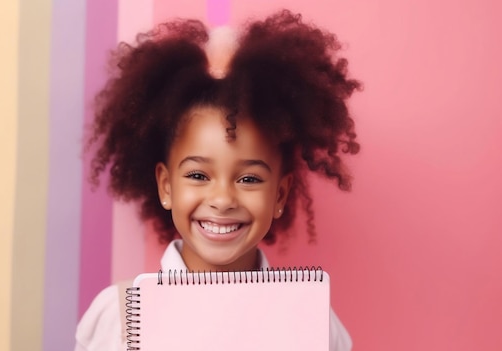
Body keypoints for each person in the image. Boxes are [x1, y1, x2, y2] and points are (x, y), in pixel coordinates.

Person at [76, 9, 361, 351]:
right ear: (166, 187)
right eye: (198, 175)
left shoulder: (314, 321)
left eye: (249, 179)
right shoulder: (120, 317)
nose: (223, 199)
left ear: (280, 195)